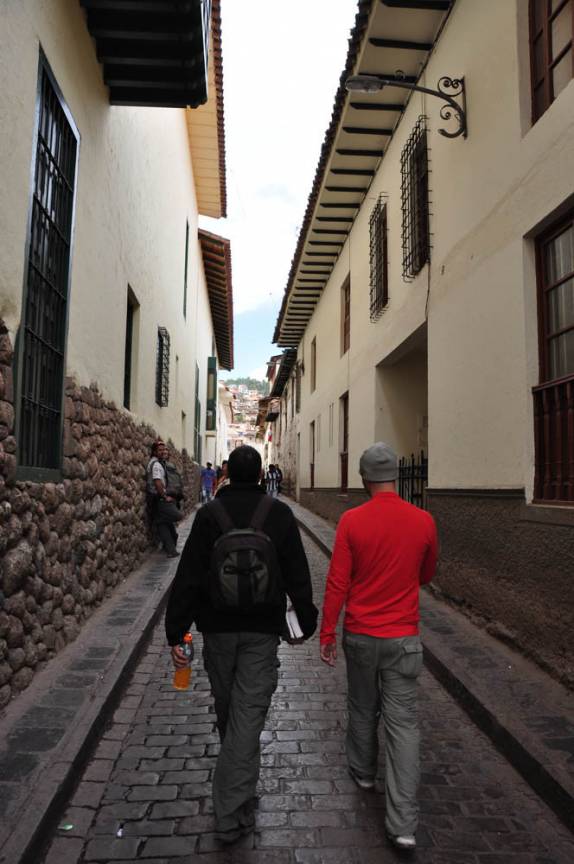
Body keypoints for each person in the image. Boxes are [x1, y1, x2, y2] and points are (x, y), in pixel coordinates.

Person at [165, 445, 318, 844]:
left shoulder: (209, 516)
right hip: (262, 632)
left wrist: (176, 630)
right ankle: (237, 794)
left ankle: (229, 812)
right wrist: (305, 618)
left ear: (229, 471)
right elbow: (297, 573)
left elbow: (190, 576)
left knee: (231, 710)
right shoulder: (279, 514)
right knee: (244, 716)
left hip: (216, 630)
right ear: (261, 474)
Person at [319, 442, 438, 853]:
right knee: (404, 725)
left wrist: (327, 633)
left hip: (361, 635)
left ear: (364, 478)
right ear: (393, 477)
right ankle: (403, 825)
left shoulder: (352, 521)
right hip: (403, 638)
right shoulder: (423, 520)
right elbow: (426, 573)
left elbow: (338, 582)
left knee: (362, 707)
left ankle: (364, 773)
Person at [147, 440, 183, 558]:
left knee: (162, 523)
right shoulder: (156, 465)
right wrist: (164, 496)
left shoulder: (159, 463)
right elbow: (157, 482)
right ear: (154, 452)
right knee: (177, 515)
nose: (163, 452)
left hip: (157, 499)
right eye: (160, 450)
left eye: (164, 449)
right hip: (159, 498)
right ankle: (171, 545)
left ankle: (170, 549)